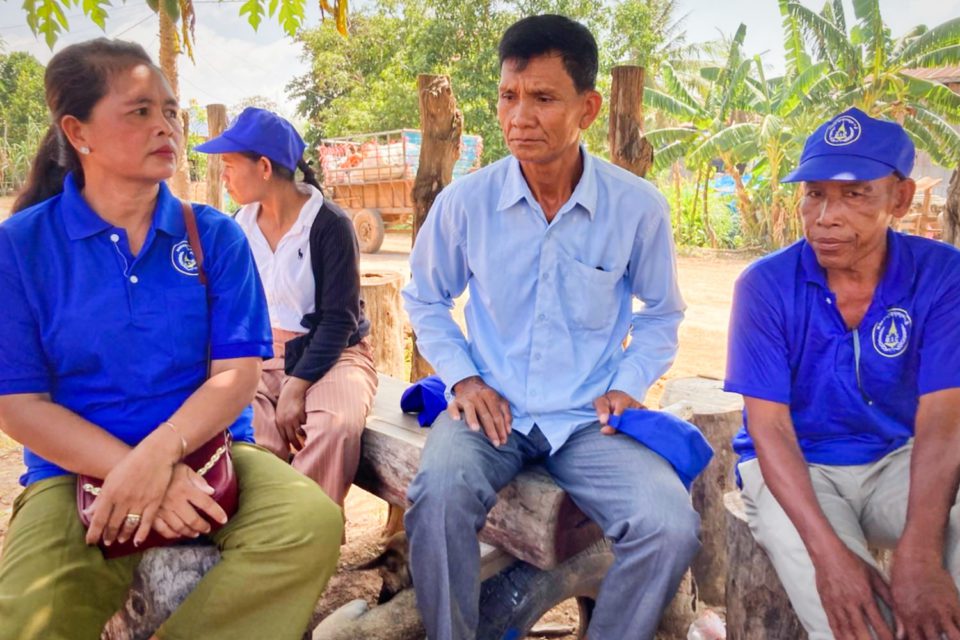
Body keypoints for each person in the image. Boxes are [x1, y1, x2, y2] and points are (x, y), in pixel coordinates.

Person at [0, 39, 342, 640]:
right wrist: (132, 474)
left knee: (309, 523)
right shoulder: (22, 248)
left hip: (207, 453)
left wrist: (159, 457)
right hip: (71, 475)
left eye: (170, 111)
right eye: (139, 111)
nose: (165, 127)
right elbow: (18, 404)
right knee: (26, 621)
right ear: (79, 133)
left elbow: (236, 375)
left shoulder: (213, 236)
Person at [402, 14, 699, 640]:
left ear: (588, 108)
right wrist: (464, 380)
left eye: (543, 99)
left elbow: (662, 313)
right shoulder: (466, 203)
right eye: (509, 96)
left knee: (669, 524)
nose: (518, 117)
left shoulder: (636, 207)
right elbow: (426, 300)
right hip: (492, 410)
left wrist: (629, 383)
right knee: (438, 496)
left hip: (589, 418)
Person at [725, 107, 960, 640]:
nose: (826, 216)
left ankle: (941, 625)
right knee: (854, 617)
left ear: (900, 200)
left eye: (855, 194)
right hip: (799, 472)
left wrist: (920, 555)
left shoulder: (947, 276)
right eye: (814, 193)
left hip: (899, 463)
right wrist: (831, 560)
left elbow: (942, 418)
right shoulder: (765, 285)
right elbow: (769, 430)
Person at [195, 108, 377, 509]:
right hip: (261, 355)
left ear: (263, 167)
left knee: (334, 428)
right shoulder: (236, 227)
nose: (223, 176)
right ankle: (271, 531)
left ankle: (309, 537)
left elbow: (339, 319)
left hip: (334, 354)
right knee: (250, 431)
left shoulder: (329, 225)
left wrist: (297, 385)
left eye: (229, 165)